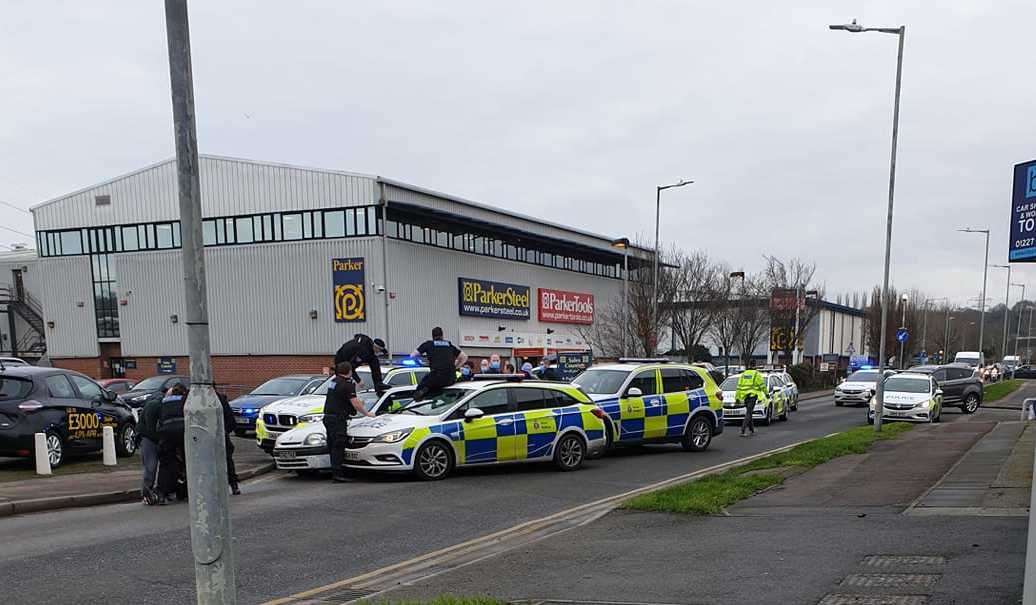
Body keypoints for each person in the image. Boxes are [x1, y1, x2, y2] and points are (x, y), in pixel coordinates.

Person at [323, 361, 376, 483]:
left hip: (328, 417)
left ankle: (336, 470)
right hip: (338, 419)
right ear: (349, 371)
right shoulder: (347, 384)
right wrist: (367, 413)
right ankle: (338, 474)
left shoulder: (334, 381)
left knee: (332, 445)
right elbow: (355, 402)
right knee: (338, 445)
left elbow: (339, 397)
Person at [412, 327, 468, 400]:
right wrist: (455, 367)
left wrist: (420, 364)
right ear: (442, 335)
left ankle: (421, 396)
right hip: (450, 379)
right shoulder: (449, 345)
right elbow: (464, 357)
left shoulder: (428, 344)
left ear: (432, 336)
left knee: (421, 389)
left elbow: (413, 355)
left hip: (436, 377)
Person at [156, 384, 188, 503]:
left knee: (166, 463)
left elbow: (160, 419)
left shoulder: (163, 402)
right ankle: (188, 490)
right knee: (188, 462)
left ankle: (162, 494)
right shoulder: (185, 401)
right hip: (183, 431)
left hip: (166, 433)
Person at [138, 390, 164, 505]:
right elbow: (150, 428)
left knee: (152, 465)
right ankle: (147, 492)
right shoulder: (154, 405)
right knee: (151, 465)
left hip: (153, 436)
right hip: (148, 437)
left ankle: (151, 490)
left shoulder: (158, 403)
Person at [217, 388, 241, 495]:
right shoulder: (220, 399)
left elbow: (231, 421)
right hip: (221, 435)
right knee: (227, 461)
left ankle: (232, 484)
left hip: (219, 435)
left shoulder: (196, 399)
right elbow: (231, 421)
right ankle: (234, 485)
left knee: (226, 460)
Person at [735, 369, 767, 437]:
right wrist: (766, 393)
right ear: (755, 366)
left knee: (749, 412)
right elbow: (762, 385)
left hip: (745, 396)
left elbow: (739, 386)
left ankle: (751, 429)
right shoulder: (756, 374)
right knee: (749, 413)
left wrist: (737, 397)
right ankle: (742, 431)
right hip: (753, 396)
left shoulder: (744, 374)